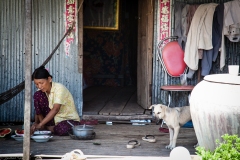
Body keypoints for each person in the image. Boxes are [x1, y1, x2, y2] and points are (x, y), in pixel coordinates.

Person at [30, 66, 81, 136]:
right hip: (52, 121)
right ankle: (46, 127)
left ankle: (47, 127)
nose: (39, 86)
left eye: (41, 83)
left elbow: (56, 109)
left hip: (66, 120)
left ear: (49, 79)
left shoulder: (59, 88)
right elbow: (38, 110)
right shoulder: (40, 91)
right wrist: (36, 123)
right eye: (36, 84)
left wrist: (40, 124)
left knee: (61, 129)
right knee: (37, 95)